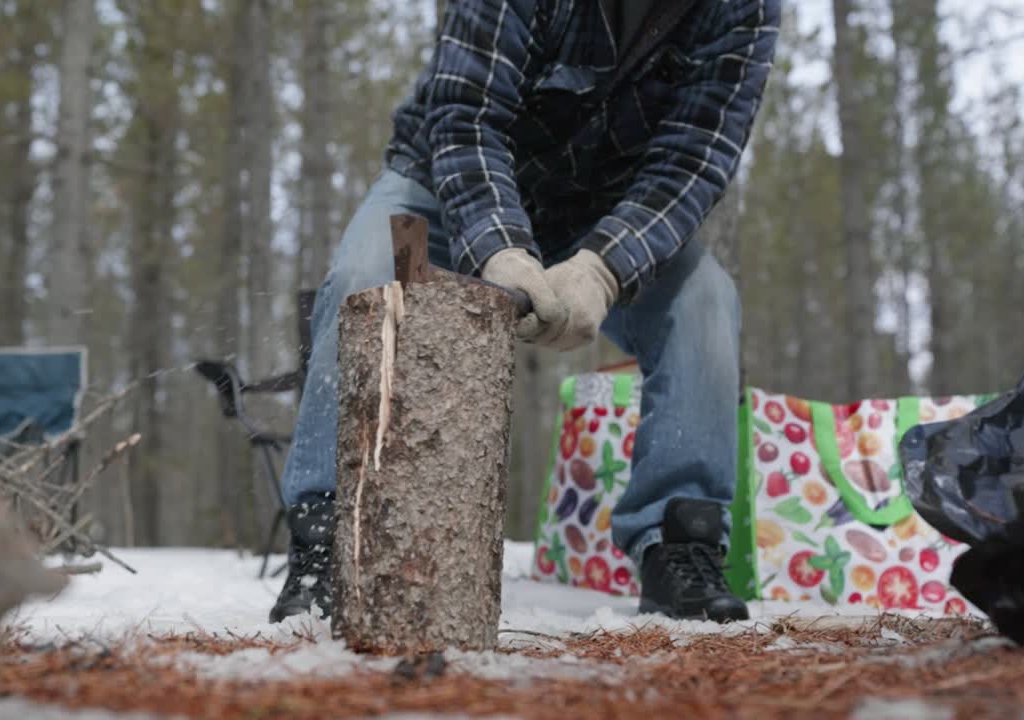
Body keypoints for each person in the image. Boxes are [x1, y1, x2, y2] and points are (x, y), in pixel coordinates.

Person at [270, 0, 781, 624]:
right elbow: (464, 117)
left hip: (605, 216)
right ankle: (325, 544)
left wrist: (603, 266)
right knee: (364, 277)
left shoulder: (745, 8)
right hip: (440, 184)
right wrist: (500, 247)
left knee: (705, 301)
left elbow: (696, 158)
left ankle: (681, 547)